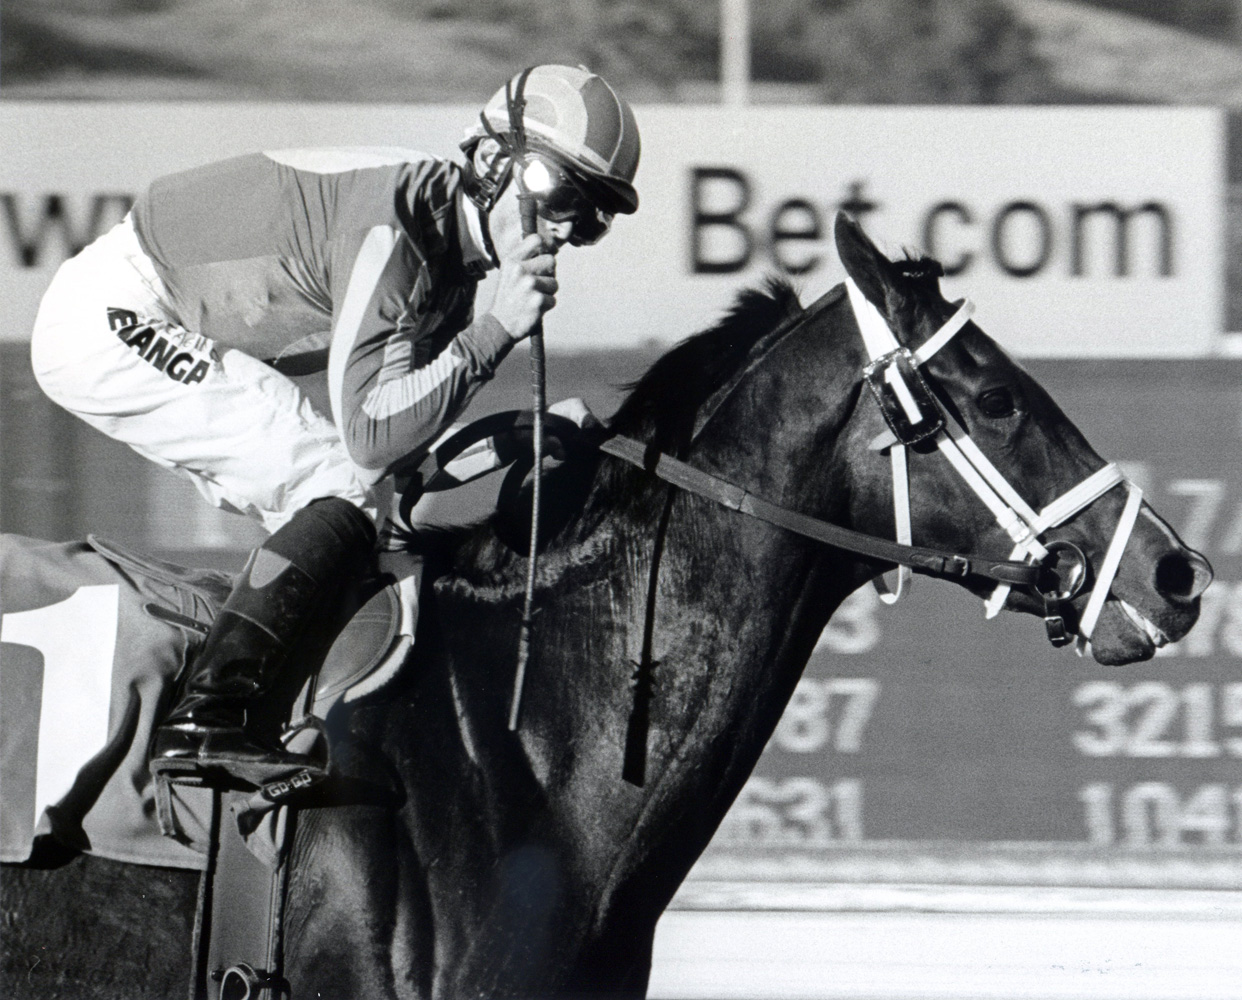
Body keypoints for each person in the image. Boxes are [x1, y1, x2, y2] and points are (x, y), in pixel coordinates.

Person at [28, 64, 641, 790]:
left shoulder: (450, 264)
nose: (571, 225)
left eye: (596, 214)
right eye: (560, 191)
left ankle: (262, 703)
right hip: (112, 316)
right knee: (333, 481)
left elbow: (396, 473)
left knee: (358, 501)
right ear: (488, 160)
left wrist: (517, 431)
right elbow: (370, 442)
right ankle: (209, 719)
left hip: (146, 308)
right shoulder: (399, 231)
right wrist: (495, 331)